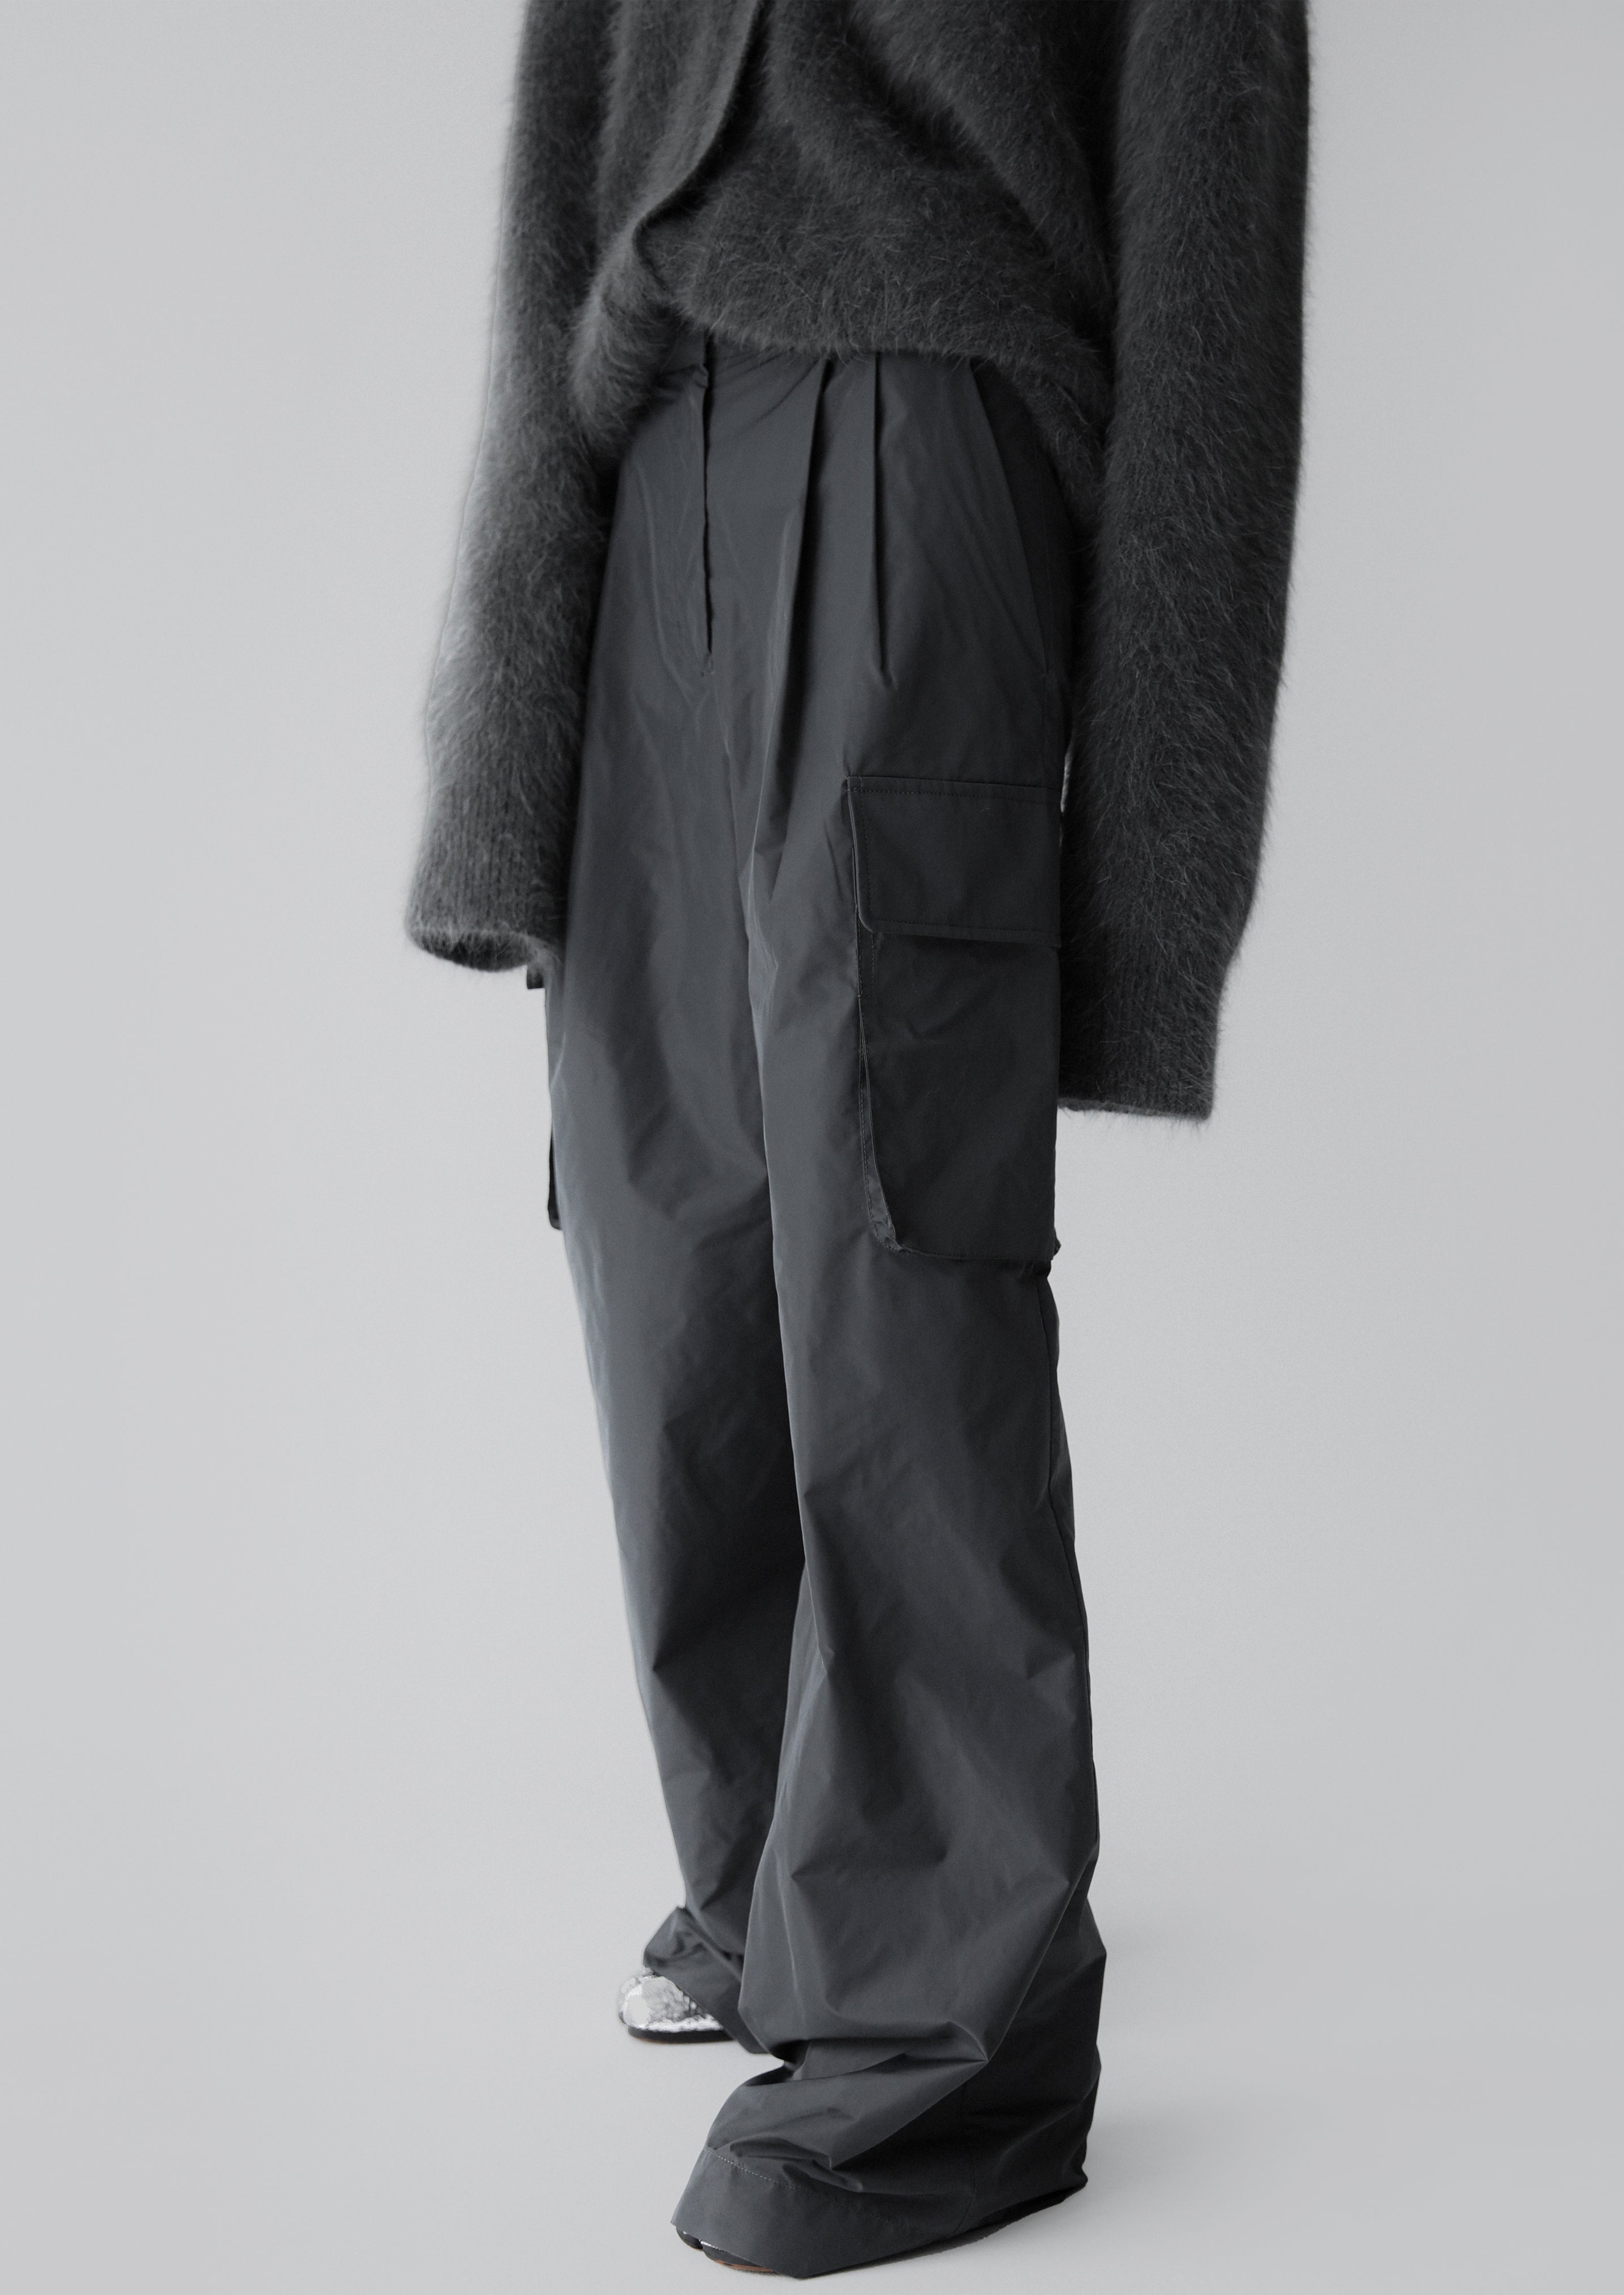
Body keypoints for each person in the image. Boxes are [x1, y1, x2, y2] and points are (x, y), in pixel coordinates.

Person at [406, 1, 1308, 2276]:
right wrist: (507, 719)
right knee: (663, 1217)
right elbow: (562, 174)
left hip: (923, 438)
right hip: (653, 455)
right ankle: (785, 1878)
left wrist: (1150, 889)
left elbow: (1214, 252)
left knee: (891, 1231)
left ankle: (943, 2039)